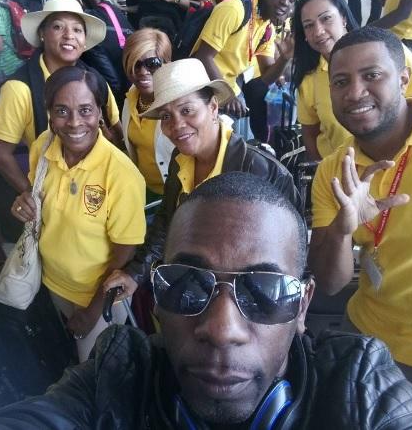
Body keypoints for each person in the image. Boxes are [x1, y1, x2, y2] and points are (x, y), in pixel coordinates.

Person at [0, 172, 412, 428]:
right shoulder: (113, 385)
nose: (222, 328)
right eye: (188, 286)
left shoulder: (359, 390)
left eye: (265, 291)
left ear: (302, 307)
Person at [309, 26, 412, 430]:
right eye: (341, 82)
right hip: (365, 342)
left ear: (403, 79)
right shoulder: (334, 170)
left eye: (372, 75)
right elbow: (330, 282)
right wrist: (342, 230)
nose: (355, 92)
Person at [103, 58, 300, 310]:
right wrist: (135, 273)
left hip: (244, 302)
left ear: (213, 107)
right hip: (193, 290)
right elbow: (168, 220)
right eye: (166, 116)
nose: (176, 125)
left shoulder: (262, 171)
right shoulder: (180, 159)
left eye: (187, 110)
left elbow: (290, 254)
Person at [11, 65, 146, 362]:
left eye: (85, 110)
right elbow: (38, 198)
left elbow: (125, 250)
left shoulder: (121, 175)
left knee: (95, 372)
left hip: (97, 297)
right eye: (62, 111)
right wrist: (24, 204)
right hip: (51, 282)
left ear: (100, 113)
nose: (74, 123)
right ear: (49, 113)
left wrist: (94, 310)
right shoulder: (42, 147)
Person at [291, 0, 412, 161]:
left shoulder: (385, 51)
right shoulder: (309, 79)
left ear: (343, 17)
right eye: (309, 25)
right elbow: (310, 135)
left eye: (326, 18)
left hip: (398, 167)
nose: (318, 31)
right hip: (342, 172)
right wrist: (323, 171)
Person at [0, 0, 122, 198]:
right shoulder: (19, 89)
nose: (69, 35)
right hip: (54, 190)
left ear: (84, 40)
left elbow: (116, 130)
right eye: (58, 27)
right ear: (42, 33)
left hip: (100, 185)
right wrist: (32, 194)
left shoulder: (96, 80)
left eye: (77, 30)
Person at [192, 0, 298, 140]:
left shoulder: (267, 27)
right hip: (201, 85)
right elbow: (203, 57)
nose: (285, 2)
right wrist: (228, 95)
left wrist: (284, 58)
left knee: (244, 140)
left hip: (228, 90)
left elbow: (266, 77)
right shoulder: (235, 9)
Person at [121, 28, 174, 199]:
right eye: (136, 64)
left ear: (166, 63)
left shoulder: (177, 104)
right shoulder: (130, 99)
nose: (143, 71)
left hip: (175, 193)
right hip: (142, 189)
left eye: (152, 63)